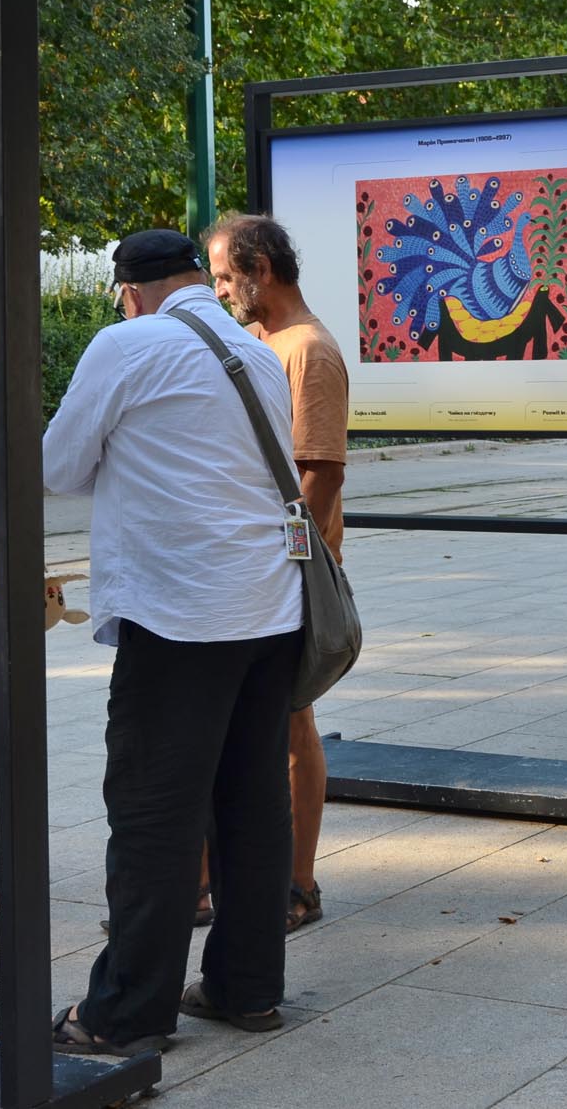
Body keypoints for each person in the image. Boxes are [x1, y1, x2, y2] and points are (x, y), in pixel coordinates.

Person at [44, 229, 305, 1058]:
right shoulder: (257, 353)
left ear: (129, 290)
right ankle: (247, 988)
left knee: (155, 814)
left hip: (181, 615)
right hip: (271, 611)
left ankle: (128, 1008)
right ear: (199, 277)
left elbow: (58, 465)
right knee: (251, 803)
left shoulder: (127, 344)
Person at [206, 213, 347, 933]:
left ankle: (299, 883)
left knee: (293, 726)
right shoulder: (260, 342)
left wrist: (283, 560)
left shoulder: (309, 351)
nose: (223, 289)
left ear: (261, 269)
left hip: (287, 570)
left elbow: (317, 476)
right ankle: (215, 878)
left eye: (229, 276)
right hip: (256, 565)